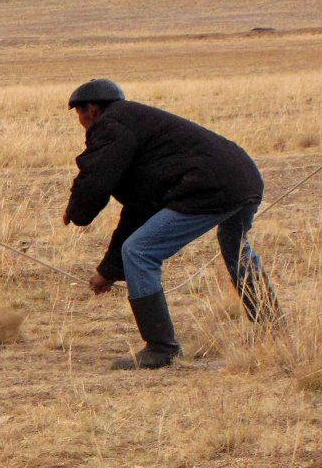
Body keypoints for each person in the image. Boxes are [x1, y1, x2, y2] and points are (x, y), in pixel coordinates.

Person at [62, 78, 280, 370]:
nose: (81, 123)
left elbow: (96, 177)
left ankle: (160, 348)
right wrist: (108, 271)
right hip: (242, 178)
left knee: (139, 252)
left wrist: (77, 211)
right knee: (236, 248)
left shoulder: (111, 125)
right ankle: (272, 327)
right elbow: (139, 209)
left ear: (91, 109)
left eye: (79, 114)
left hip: (206, 187)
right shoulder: (137, 124)